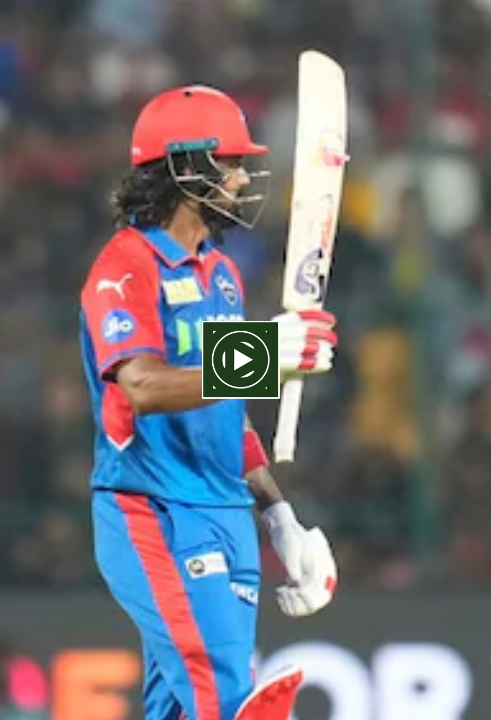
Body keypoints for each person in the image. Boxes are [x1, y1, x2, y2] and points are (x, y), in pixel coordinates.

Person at [78, 85, 340, 720]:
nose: (243, 178)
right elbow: (143, 386)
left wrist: (279, 516)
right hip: (154, 509)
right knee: (221, 692)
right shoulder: (126, 266)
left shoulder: (220, 273)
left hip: (227, 512)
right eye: (231, 163)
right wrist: (263, 355)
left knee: (178, 707)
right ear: (183, 167)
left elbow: (227, 410)